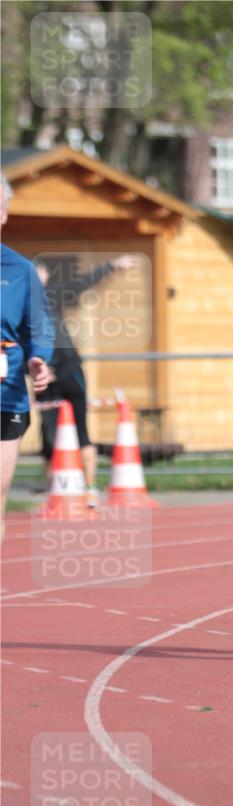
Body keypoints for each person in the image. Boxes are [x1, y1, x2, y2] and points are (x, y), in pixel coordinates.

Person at [35, 253, 138, 508]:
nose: (38, 278)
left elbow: (83, 283)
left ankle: (90, 488)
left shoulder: (54, 293)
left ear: (46, 276)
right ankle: (55, 494)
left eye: (41, 273)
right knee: (49, 434)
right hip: (41, 373)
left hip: (69, 367)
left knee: (81, 430)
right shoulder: (17, 302)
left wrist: (112, 265)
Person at [0, 173, 54, 536]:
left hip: (6, 396)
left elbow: (39, 326)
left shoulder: (19, 270)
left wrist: (39, 358)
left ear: (3, 214)